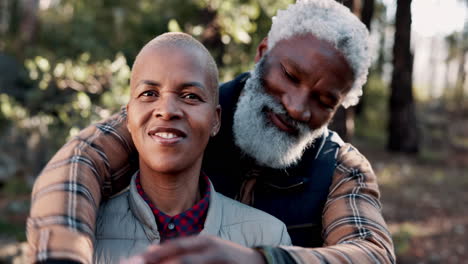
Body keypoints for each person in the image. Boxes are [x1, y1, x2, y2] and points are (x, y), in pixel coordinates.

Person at [27, 0, 395, 263]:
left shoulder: (339, 168)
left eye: (324, 99)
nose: (298, 106)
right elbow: (78, 165)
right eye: (290, 75)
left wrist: (261, 259)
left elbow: (371, 253)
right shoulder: (185, 115)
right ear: (262, 53)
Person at [90, 32, 291, 263]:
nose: (166, 110)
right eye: (149, 94)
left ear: (215, 120)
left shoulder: (268, 237)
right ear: (128, 115)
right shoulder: (85, 233)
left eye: (190, 96)